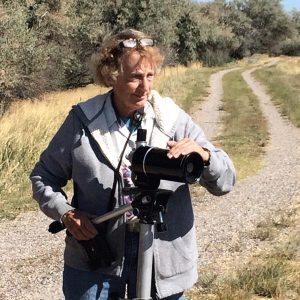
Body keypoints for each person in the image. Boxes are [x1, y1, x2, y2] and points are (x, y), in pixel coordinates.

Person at [30, 29, 236, 300]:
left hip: (163, 254)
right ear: (112, 76)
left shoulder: (172, 119)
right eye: (135, 77)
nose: (145, 87)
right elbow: (43, 176)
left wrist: (204, 156)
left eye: (150, 76)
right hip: (96, 257)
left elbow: (226, 181)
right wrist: (65, 213)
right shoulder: (83, 121)